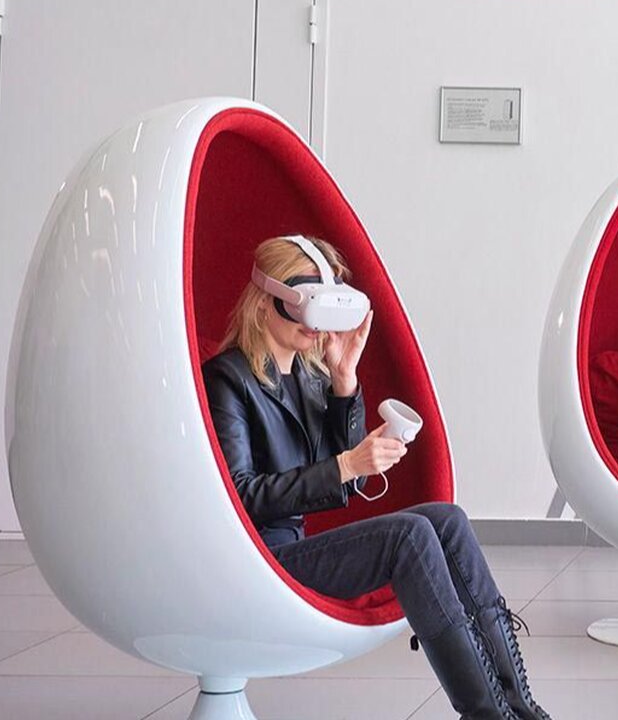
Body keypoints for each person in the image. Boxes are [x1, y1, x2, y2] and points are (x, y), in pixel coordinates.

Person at [204, 236, 546, 720]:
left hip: (293, 547)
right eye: (304, 305)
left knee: (446, 520)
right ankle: (487, 715)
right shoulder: (227, 380)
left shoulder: (308, 375)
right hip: (258, 560)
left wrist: (344, 380)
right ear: (265, 304)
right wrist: (348, 464)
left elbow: (346, 484)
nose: (313, 324)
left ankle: (522, 710)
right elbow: (241, 496)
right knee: (408, 536)